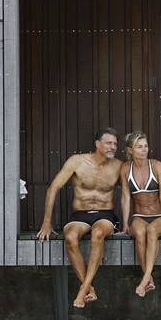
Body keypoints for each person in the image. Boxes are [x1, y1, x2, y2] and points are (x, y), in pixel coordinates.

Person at [36, 128, 122, 308]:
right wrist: (46, 222)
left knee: (98, 234)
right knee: (70, 238)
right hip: (80, 215)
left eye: (115, 143)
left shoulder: (119, 166)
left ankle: (82, 292)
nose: (112, 147)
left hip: (105, 215)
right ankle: (88, 287)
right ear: (97, 144)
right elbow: (53, 188)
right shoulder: (77, 162)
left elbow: (132, 193)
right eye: (108, 143)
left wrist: (131, 223)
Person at [120, 131, 161, 297]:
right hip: (139, 216)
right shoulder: (126, 168)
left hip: (159, 216)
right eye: (139, 147)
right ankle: (149, 279)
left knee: (152, 231)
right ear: (130, 150)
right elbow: (125, 197)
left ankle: (145, 278)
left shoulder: (157, 166)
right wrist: (125, 223)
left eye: (146, 146)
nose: (144, 149)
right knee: (140, 232)